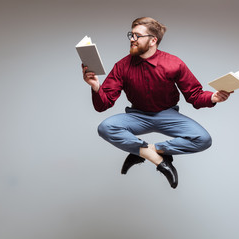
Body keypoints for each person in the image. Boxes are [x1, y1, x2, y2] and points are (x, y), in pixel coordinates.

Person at [82, 17, 231, 189]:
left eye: (137, 36)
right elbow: (103, 104)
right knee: (105, 127)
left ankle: (142, 152)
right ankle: (157, 159)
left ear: (153, 40)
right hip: (137, 115)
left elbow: (194, 95)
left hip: (167, 115)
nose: (132, 39)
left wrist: (213, 98)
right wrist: (95, 86)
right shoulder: (122, 66)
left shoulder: (174, 63)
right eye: (131, 34)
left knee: (203, 139)